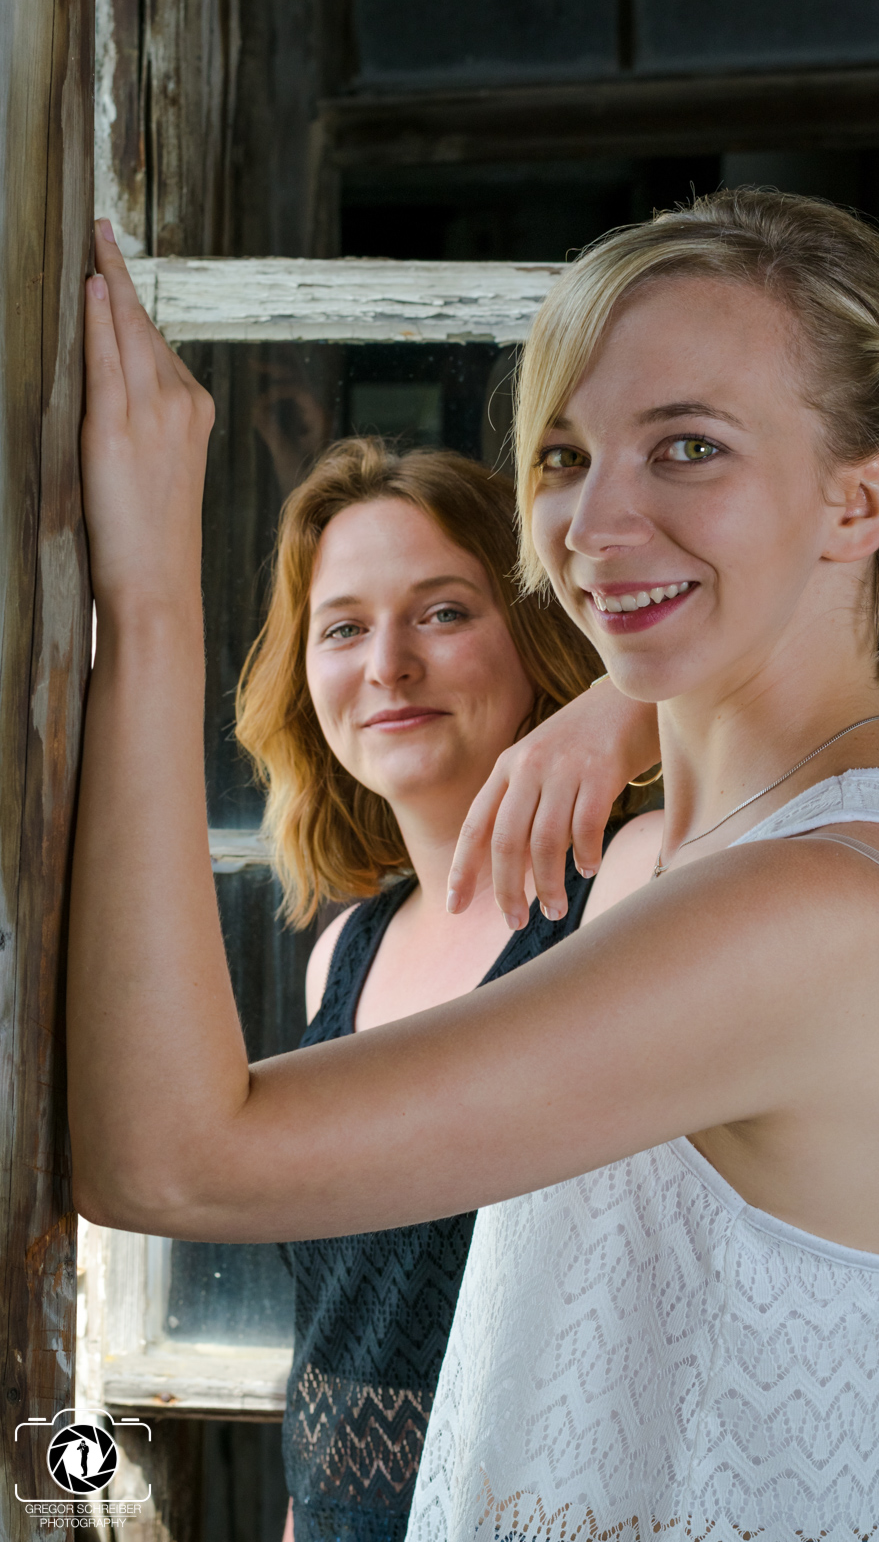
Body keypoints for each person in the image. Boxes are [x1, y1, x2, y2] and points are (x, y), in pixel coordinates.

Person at [70, 194, 879, 1539]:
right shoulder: (714, 854)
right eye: (561, 456)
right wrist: (635, 696)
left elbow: (174, 1165)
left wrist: (146, 600)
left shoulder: (816, 909)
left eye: (687, 447)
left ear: (860, 497)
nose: (591, 522)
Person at [233, 435, 651, 1541]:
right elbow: (342, 1325)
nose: (387, 665)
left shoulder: (633, 887)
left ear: (537, 640)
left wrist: (632, 706)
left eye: (443, 612)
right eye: (343, 628)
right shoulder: (342, 952)